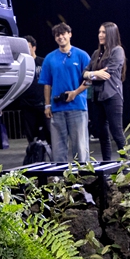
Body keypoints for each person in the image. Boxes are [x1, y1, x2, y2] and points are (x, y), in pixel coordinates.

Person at [39, 23, 90, 163]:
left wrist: (75, 92)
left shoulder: (81, 55)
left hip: (77, 107)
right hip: (57, 108)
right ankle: (59, 179)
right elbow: (47, 83)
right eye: (57, 35)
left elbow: (90, 80)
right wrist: (47, 105)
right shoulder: (49, 58)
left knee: (80, 146)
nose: (61, 37)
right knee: (58, 148)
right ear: (55, 38)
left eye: (63, 34)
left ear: (70, 34)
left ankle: (82, 178)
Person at [85, 22, 127, 160]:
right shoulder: (96, 53)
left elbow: (107, 73)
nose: (100, 35)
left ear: (110, 34)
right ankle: (107, 165)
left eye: (103, 32)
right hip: (97, 97)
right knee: (102, 134)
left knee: (117, 133)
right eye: (99, 32)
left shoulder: (117, 50)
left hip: (112, 96)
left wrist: (92, 74)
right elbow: (85, 72)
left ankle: (128, 167)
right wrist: (93, 74)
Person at [14, 35, 48, 144]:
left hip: (43, 105)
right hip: (27, 107)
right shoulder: (19, 66)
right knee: (31, 139)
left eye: (28, 47)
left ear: (34, 48)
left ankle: (53, 159)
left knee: (49, 136)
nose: (26, 50)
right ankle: (35, 158)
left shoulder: (43, 62)